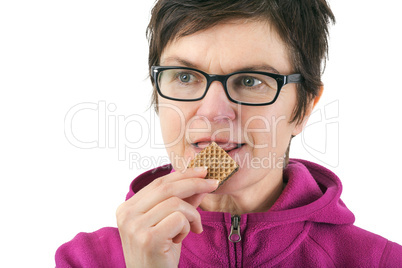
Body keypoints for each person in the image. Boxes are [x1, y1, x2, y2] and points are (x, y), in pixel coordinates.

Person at [56, 0, 402, 267]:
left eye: (250, 81)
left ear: (305, 107)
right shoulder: (85, 260)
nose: (212, 112)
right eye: (186, 77)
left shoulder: (383, 261)